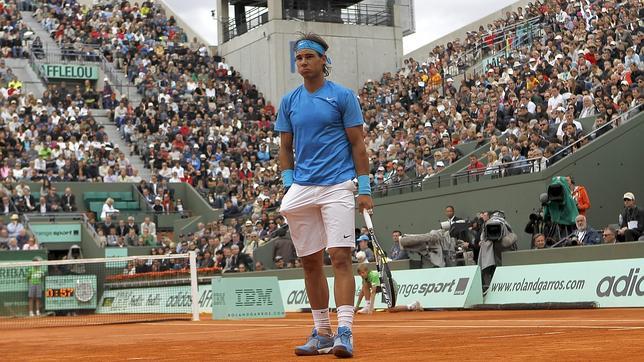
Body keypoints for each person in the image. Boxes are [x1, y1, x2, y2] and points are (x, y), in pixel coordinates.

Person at [276, 32, 372, 358]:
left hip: (338, 185)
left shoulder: (343, 97)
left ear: (323, 61)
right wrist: (289, 182)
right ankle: (321, 333)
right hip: (302, 188)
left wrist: (365, 187)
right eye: (299, 58)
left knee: (341, 257)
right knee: (309, 263)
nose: (303, 62)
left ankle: (344, 331)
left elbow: (358, 144)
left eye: (309, 57)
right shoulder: (289, 102)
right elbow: (285, 147)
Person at [354, 264, 421, 314]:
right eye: (360, 274)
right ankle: (367, 306)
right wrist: (356, 307)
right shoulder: (364, 279)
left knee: (391, 309)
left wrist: (371, 308)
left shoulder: (373, 275)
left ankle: (412, 306)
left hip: (391, 286)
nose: (362, 275)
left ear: (367, 271)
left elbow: (373, 292)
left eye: (363, 273)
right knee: (365, 286)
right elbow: (362, 293)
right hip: (383, 287)